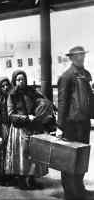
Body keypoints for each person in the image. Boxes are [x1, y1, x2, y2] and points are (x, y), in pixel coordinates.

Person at [58, 46, 93, 200]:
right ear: (71, 58)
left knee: (82, 157)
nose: (80, 58)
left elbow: (90, 98)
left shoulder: (86, 74)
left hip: (84, 123)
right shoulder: (66, 76)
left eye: (82, 55)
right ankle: (70, 192)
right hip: (71, 125)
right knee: (69, 159)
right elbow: (62, 102)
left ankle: (79, 187)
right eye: (77, 56)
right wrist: (60, 126)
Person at [5, 69, 48, 190]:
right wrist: (25, 117)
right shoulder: (12, 95)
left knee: (33, 154)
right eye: (18, 79)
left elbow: (42, 101)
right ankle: (22, 180)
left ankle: (32, 179)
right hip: (20, 129)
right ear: (14, 81)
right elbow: (11, 114)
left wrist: (45, 109)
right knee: (22, 155)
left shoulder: (31, 92)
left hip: (32, 126)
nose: (21, 82)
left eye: (23, 79)